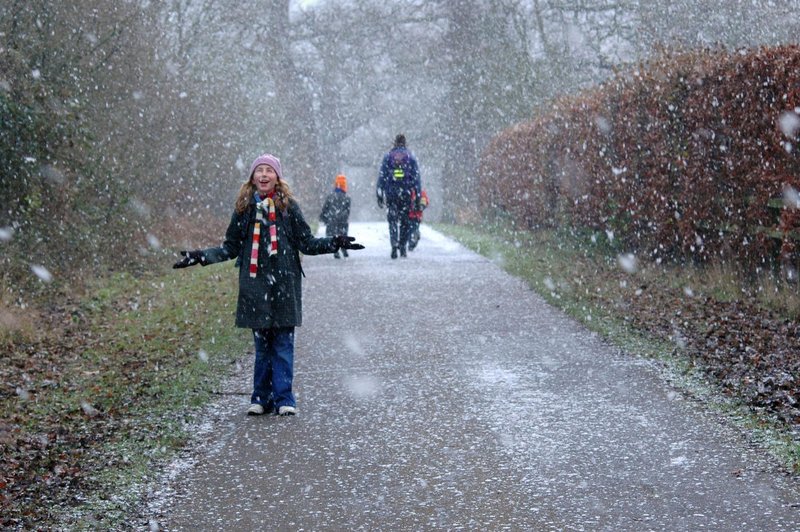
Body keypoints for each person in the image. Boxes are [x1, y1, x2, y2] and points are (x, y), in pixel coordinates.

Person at [173, 153, 364, 416]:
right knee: (262, 346)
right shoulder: (244, 209)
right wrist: (200, 256)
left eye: (269, 171)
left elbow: (306, 243)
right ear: (252, 177)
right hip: (255, 286)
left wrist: (335, 242)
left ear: (277, 177)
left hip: (285, 285)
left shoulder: (288, 208)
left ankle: (285, 398)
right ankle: (260, 397)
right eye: (259, 171)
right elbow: (230, 247)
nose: (263, 175)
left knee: (283, 344)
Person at [376, 134, 422, 259]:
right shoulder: (410, 157)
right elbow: (416, 179)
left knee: (392, 220)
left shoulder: (388, 157)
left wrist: (379, 194)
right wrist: (417, 196)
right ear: (405, 143)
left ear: (394, 143)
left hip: (391, 194)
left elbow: (382, 177)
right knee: (405, 222)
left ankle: (394, 244)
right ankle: (402, 246)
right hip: (406, 194)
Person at [319, 174, 352, 259]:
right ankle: (344, 248)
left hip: (332, 219)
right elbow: (348, 210)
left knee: (334, 235)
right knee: (343, 234)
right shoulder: (347, 198)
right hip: (342, 220)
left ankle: (335, 250)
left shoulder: (330, 196)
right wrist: (345, 217)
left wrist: (323, 217)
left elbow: (325, 208)